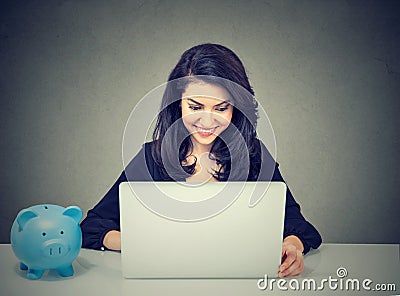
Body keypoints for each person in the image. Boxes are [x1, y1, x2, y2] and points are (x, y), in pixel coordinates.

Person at [80, 43, 322, 278]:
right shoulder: (151, 157)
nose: (207, 122)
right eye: (195, 106)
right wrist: (137, 243)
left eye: (220, 108)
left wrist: (292, 246)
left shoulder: (254, 155)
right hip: (164, 283)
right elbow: (91, 227)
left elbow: (298, 225)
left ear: (236, 108)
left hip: (238, 283)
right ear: (177, 103)